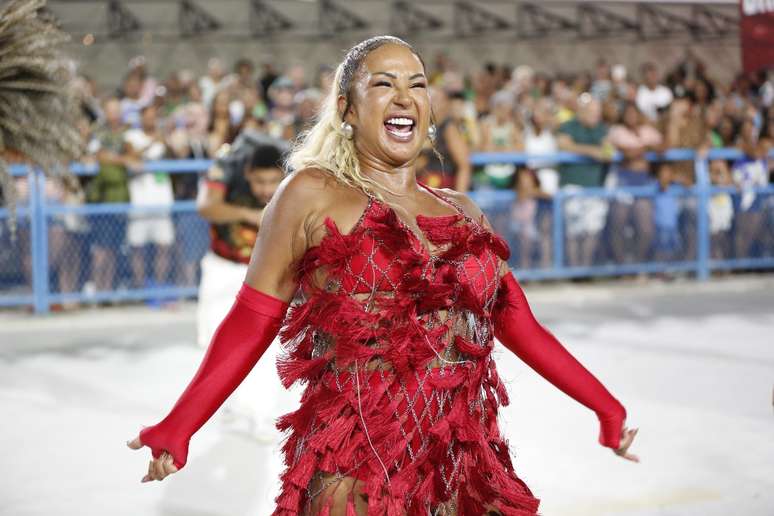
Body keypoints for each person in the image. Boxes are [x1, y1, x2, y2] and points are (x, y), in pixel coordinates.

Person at [128, 36, 638, 515]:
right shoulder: (310, 193)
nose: (404, 96)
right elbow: (252, 319)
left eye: (417, 84)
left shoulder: (462, 211)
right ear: (347, 110)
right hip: (357, 472)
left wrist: (606, 407)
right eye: (383, 83)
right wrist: (181, 423)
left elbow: (520, 325)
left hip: (460, 470)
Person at [556, 94, 614, 267]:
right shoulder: (568, 126)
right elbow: (563, 144)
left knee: (592, 230)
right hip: (572, 184)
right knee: (574, 231)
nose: (596, 115)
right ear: (582, 111)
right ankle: (574, 268)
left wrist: (597, 151)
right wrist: (591, 151)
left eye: (598, 112)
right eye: (592, 112)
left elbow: (607, 152)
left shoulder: (601, 129)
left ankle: (585, 267)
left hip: (595, 186)